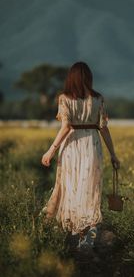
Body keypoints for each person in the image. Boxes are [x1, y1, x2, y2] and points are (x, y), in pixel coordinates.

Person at [41, 61, 120, 249]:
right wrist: (113, 154)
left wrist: (51, 149)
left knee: (71, 187)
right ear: (89, 77)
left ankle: (75, 233)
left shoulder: (64, 98)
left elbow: (66, 126)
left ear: (71, 78)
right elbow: (103, 128)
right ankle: (88, 237)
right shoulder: (98, 99)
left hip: (71, 146)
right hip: (92, 145)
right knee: (90, 189)